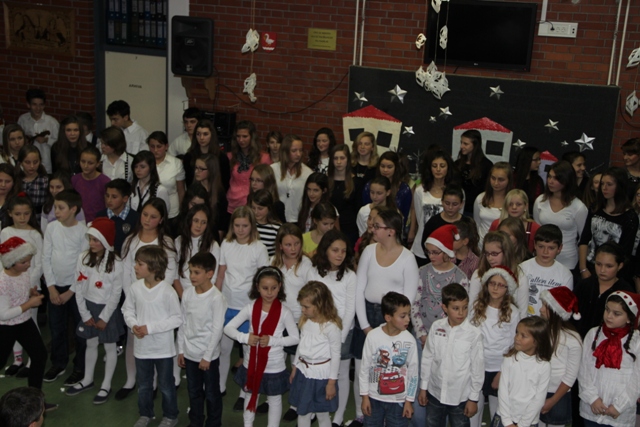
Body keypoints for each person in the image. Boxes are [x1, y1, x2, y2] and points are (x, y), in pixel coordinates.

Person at [353, 209, 419, 427]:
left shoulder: (408, 259)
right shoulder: (368, 251)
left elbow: (408, 300)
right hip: (368, 315)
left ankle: (394, 409)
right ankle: (362, 413)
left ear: (391, 231)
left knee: (392, 369)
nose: (372, 229)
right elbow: (359, 289)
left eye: (377, 226)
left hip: (395, 321)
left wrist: (394, 325)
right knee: (364, 367)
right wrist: (365, 326)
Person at [224, 266, 300, 427]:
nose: (269, 292)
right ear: (257, 287)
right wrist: (245, 338)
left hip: (274, 365)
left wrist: (273, 341)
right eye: (265, 288)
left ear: (280, 287)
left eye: (274, 288)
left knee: (274, 400)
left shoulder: (285, 312)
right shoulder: (250, 308)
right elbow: (228, 328)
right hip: (251, 363)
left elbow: (295, 338)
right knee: (250, 395)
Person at [118, 198, 177, 400]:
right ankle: (131, 380)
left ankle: (155, 383)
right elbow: (126, 271)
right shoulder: (131, 240)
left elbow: (169, 273)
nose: (147, 220)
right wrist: (134, 296)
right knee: (133, 340)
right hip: (136, 299)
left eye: (153, 217)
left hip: (158, 302)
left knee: (156, 343)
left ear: (161, 220)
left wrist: (153, 294)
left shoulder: (166, 243)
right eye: (145, 214)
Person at [65, 218, 124, 405]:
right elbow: (79, 287)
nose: (91, 243)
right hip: (88, 308)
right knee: (90, 343)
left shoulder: (117, 263)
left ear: (106, 241)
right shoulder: (83, 258)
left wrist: (105, 317)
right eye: (90, 239)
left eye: (96, 240)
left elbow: (116, 294)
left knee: (109, 346)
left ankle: (106, 384)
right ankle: (87, 379)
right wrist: (85, 314)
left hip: (107, 310)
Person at [215, 206, 269, 406]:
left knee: (248, 352)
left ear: (252, 226)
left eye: (244, 226)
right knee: (224, 348)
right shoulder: (226, 244)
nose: (240, 229)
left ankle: (244, 392)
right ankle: (220, 386)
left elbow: (264, 278)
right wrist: (216, 299)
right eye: (237, 225)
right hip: (227, 304)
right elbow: (221, 274)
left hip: (248, 307)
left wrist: (262, 306)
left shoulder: (259, 247)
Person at [122, 245, 182, 427]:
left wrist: (149, 328)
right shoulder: (135, 288)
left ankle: (170, 416)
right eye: (136, 263)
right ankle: (145, 414)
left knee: (166, 385)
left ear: (154, 268)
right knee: (144, 385)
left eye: (140, 264)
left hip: (163, 349)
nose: (135, 267)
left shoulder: (167, 291)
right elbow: (127, 310)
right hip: (142, 349)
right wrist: (133, 325)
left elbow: (177, 319)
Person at [305, 229, 357, 427]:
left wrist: (340, 336)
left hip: (343, 332)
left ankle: (338, 416)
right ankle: (314, 411)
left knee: (341, 374)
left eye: (343, 251)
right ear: (325, 250)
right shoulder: (313, 272)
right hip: (317, 332)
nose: (339, 255)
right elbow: (309, 302)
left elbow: (350, 309)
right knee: (318, 373)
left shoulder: (350, 276)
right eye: (335, 250)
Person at [419, 283, 484, 427]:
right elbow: (427, 358)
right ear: (444, 308)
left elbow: (477, 369)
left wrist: (473, 399)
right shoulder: (436, 327)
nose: (461, 313)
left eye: (465, 307)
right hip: (435, 393)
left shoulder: (474, 334)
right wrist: (423, 387)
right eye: (455, 308)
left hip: (460, 397)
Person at [42, 189, 88, 387]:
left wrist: (71, 291)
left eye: (61, 208)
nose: (56, 211)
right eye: (55, 207)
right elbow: (46, 258)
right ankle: (58, 363)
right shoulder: (52, 228)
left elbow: (84, 266)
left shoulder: (83, 231)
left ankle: (80, 367)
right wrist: (51, 287)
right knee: (57, 328)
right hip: (55, 288)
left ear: (73, 209)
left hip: (76, 290)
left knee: (80, 330)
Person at [177, 252, 226, 427]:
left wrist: (207, 356)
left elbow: (217, 330)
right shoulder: (188, 294)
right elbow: (183, 322)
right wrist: (181, 350)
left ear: (209, 273)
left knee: (212, 394)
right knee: (194, 391)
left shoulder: (216, 298)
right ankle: (196, 421)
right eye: (191, 271)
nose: (192, 276)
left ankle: (214, 423)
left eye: (197, 272)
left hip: (208, 357)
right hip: (190, 353)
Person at [468, 265, 521, 427]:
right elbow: (470, 337)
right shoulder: (476, 307)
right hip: (477, 366)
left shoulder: (513, 312)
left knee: (497, 412)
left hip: (499, 368)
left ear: (507, 288)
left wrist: (502, 371)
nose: (496, 288)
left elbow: (515, 344)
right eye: (492, 283)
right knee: (473, 409)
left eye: (501, 285)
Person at [578, 291, 640, 427]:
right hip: (592, 409)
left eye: (616, 314)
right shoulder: (593, 334)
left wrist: (619, 406)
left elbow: (637, 379)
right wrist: (592, 398)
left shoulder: (637, 341)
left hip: (620, 413)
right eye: (607, 310)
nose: (609, 316)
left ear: (629, 318)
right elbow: (583, 370)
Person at [359, 292, 419, 427]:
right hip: (374, 398)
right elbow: (364, 369)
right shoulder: (373, 336)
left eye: (408, 315)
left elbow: (413, 373)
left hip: (399, 402)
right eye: (403, 316)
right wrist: (365, 396)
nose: (408, 320)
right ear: (388, 317)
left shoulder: (410, 340)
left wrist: (409, 401)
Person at [1, 194, 44, 378]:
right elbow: (3, 259)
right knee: (12, 325)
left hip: (28, 288)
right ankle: (17, 359)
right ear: (10, 214)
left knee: (29, 323)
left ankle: (32, 361)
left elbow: (38, 263)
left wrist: (28, 286)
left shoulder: (34, 234)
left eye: (26, 213)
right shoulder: (5, 232)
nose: (22, 217)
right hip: (9, 287)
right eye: (18, 214)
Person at [288, 281, 342, 427]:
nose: (302, 310)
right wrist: (295, 366)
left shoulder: (331, 327)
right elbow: (301, 345)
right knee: (302, 412)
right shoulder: (305, 321)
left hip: (321, 376)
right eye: (302, 306)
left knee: (322, 414)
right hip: (303, 372)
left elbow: (336, 356)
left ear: (320, 305)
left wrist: (331, 383)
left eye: (306, 307)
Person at [0, 238, 47, 400]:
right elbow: (3, 314)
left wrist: (29, 294)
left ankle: (34, 400)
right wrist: (30, 304)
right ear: (11, 263)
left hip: (24, 322)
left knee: (39, 356)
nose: (28, 265)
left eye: (29, 260)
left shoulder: (24, 273)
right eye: (23, 262)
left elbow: (18, 294)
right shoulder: (2, 283)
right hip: (5, 327)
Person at [579, 166, 638, 282]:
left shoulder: (630, 217)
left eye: (609, 184)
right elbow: (584, 239)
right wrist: (583, 268)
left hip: (612, 274)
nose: (604, 188)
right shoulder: (595, 207)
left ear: (620, 186)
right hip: (589, 267)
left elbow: (625, 253)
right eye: (602, 184)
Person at [493, 316, 552, 427]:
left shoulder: (544, 366)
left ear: (536, 342)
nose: (517, 338)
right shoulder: (509, 359)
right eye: (517, 333)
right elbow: (503, 390)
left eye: (523, 336)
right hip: (503, 418)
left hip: (528, 422)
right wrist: (507, 422)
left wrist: (522, 424)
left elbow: (539, 399)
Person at [538, 287, 582, 427]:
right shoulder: (540, 331)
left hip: (558, 394)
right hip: (536, 389)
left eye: (545, 306)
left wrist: (553, 400)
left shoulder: (572, 339)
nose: (540, 309)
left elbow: (570, 376)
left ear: (556, 310)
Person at [533, 160, 588, 270]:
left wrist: (583, 267)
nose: (550, 181)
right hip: (542, 258)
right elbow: (537, 230)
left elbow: (584, 239)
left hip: (567, 261)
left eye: (556, 178)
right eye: (549, 177)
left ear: (566, 180)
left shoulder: (579, 207)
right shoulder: (540, 201)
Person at [574, 242, 634, 338]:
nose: (602, 270)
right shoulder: (584, 285)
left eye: (609, 266)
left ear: (620, 266)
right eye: (598, 264)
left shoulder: (625, 292)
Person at [410, 149, 458, 265]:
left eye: (442, 166)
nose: (438, 169)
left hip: (446, 247)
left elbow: (458, 219)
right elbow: (419, 216)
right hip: (422, 246)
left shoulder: (457, 192)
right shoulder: (420, 191)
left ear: (448, 168)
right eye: (434, 166)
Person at [468, 231, 529, 318]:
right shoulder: (478, 274)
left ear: (506, 252)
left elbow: (522, 313)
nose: (490, 258)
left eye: (494, 254)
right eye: (487, 254)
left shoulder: (520, 277)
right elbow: (471, 308)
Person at [520, 224, 574, 316]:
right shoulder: (522, 268)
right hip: (524, 321)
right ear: (535, 245)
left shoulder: (565, 274)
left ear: (559, 248)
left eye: (551, 248)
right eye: (541, 246)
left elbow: (563, 309)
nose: (545, 252)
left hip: (550, 323)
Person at [173, 204, 220, 299]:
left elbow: (213, 277)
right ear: (189, 220)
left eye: (203, 222)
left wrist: (200, 298)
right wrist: (183, 297)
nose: (199, 226)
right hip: (183, 294)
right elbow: (175, 276)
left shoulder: (213, 245)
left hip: (204, 295)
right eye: (196, 221)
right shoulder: (178, 241)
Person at [227, 120, 270, 214]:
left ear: (252, 137)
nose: (241, 140)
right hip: (232, 204)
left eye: (245, 136)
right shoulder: (230, 157)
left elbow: (268, 185)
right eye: (238, 136)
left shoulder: (264, 158)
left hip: (253, 206)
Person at [148, 131, 186, 230]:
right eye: (152, 146)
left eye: (159, 146)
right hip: (149, 211)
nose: (155, 150)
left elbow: (181, 190)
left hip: (171, 212)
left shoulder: (176, 163)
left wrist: (182, 211)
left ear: (166, 146)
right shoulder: (145, 163)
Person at [361, 151, 412, 225]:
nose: (385, 170)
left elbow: (404, 217)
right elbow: (366, 211)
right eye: (382, 166)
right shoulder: (369, 186)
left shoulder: (404, 189)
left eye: (389, 167)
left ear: (396, 168)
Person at [271, 134, 313, 223]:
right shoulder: (273, 169)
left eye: (300, 150)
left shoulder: (307, 172)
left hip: (298, 219)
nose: (298, 154)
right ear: (285, 151)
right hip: (276, 219)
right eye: (294, 151)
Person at [419, 184, 465, 263]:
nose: (450, 207)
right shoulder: (433, 222)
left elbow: (471, 248)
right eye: (447, 203)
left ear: (461, 204)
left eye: (455, 204)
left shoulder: (466, 223)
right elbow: (425, 245)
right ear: (442, 202)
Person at [17, 88, 59, 174]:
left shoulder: (52, 122)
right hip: (26, 166)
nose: (38, 108)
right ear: (28, 104)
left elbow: (60, 144)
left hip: (46, 165)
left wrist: (46, 140)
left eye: (41, 105)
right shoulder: (23, 120)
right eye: (34, 104)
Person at [183, 119, 231, 192]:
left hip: (216, 195)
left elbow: (225, 184)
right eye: (198, 134)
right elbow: (188, 182)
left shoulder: (221, 158)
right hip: (194, 195)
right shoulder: (189, 157)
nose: (201, 138)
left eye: (205, 134)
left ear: (212, 135)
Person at [474, 162, 514, 247]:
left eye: (501, 180)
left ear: (509, 180)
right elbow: (476, 224)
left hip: (504, 246)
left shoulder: (513, 201)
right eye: (493, 178)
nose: (496, 183)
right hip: (481, 246)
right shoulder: (480, 198)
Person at [454, 130, 493, 216]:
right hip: (458, 208)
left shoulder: (486, 165)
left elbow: (488, 189)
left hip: (477, 209)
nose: (461, 146)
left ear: (475, 145)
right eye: (461, 143)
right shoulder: (457, 164)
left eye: (465, 144)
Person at [329, 144, 361, 246]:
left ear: (348, 160)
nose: (339, 162)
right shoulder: (326, 181)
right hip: (329, 227)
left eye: (342, 158)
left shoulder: (356, 182)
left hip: (350, 229)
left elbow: (358, 209)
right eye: (335, 158)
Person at [489, 189, 540, 253]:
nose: (514, 207)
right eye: (510, 204)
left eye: (518, 204)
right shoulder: (496, 224)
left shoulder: (534, 227)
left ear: (526, 206)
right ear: (506, 206)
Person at [95, 179, 139, 253]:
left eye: (114, 197)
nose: (109, 200)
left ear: (125, 199)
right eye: (107, 196)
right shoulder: (100, 216)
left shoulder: (135, 218)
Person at [193, 153, 229, 237]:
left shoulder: (219, 192)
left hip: (212, 234)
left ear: (211, 170)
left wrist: (219, 239)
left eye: (201, 169)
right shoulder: (193, 190)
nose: (196, 172)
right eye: (196, 168)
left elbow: (221, 222)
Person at [72, 146, 111, 222]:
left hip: (98, 223)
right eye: (83, 161)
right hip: (78, 222)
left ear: (97, 164)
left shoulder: (104, 181)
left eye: (90, 163)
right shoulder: (74, 180)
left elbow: (108, 206)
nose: (85, 166)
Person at [249, 189, 282, 257]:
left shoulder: (277, 228)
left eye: (260, 208)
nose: (256, 212)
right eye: (253, 208)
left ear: (269, 208)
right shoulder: (248, 224)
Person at [513, 147, 543, 215]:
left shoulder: (538, 181)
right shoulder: (512, 178)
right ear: (526, 160)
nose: (539, 162)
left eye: (539, 159)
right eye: (536, 160)